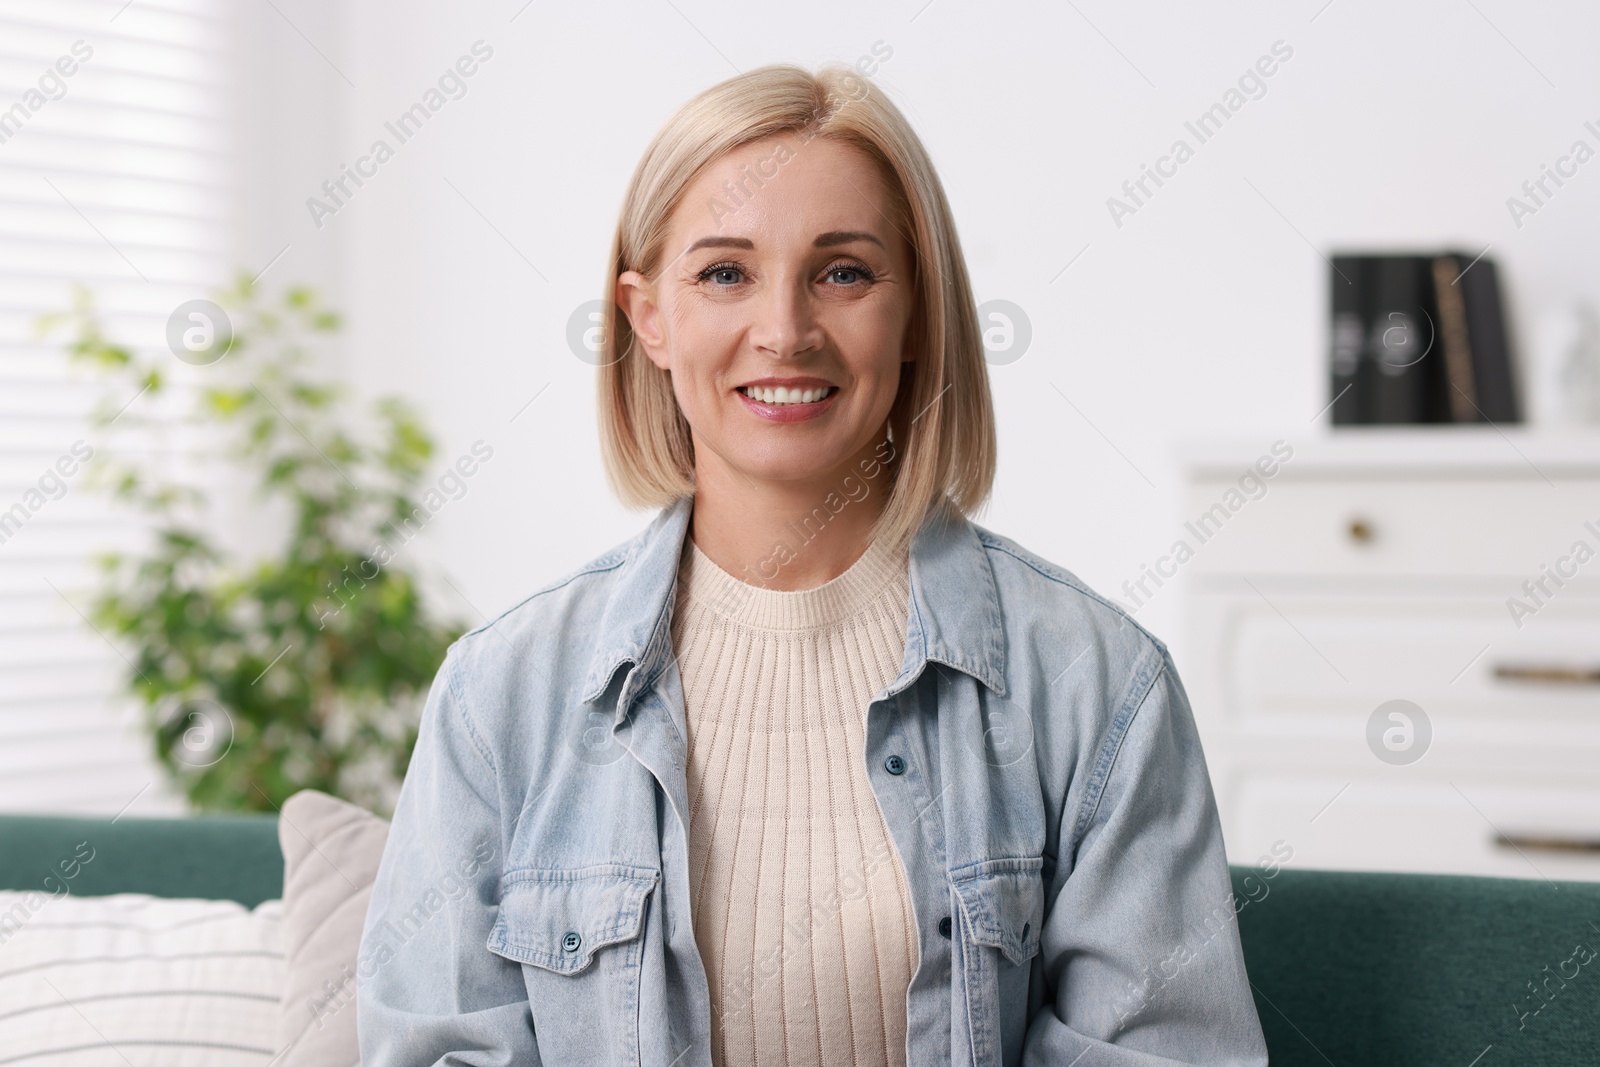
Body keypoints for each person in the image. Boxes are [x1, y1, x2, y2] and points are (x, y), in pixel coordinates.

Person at [357, 62, 1269, 1067]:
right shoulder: (500, 695)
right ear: (646, 316)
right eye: (723, 273)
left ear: (917, 309)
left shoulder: (1097, 684)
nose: (784, 331)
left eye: (843, 271)